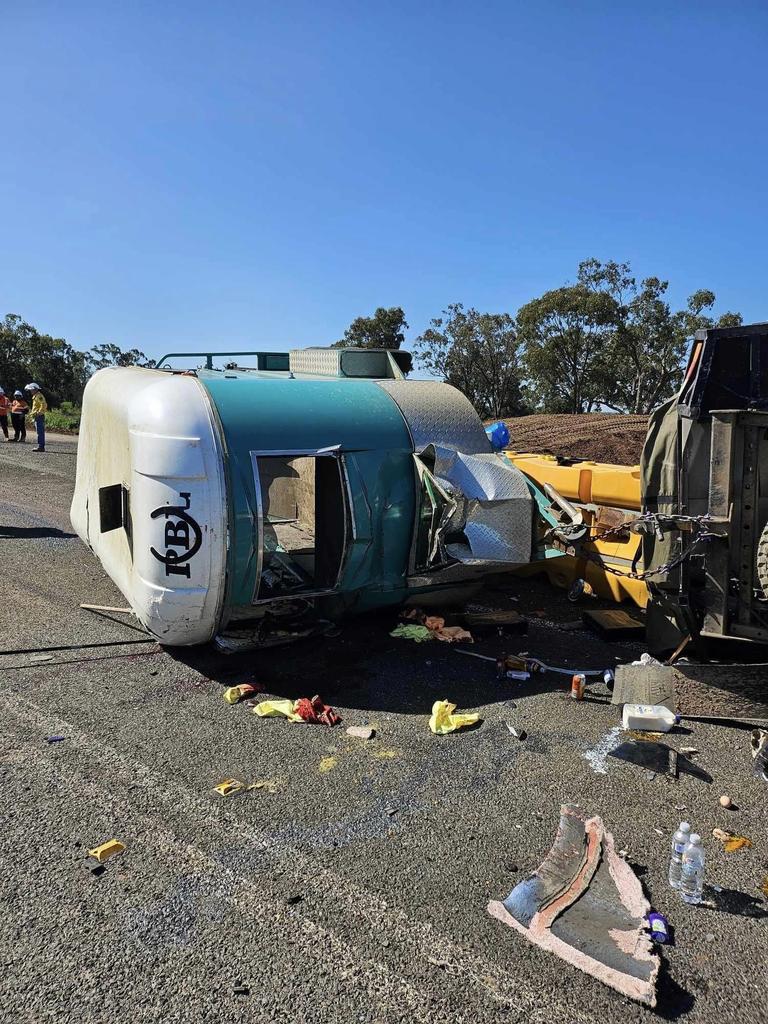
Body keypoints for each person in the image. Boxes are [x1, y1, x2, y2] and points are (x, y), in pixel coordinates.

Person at [25, 382, 47, 452]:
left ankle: (41, 447)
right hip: (37, 416)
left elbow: (43, 404)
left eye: (31, 390)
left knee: (40, 432)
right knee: (39, 432)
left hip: (39, 416)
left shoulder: (39, 396)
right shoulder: (36, 396)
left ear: (35, 389)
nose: (30, 391)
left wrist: (39, 413)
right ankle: (40, 446)